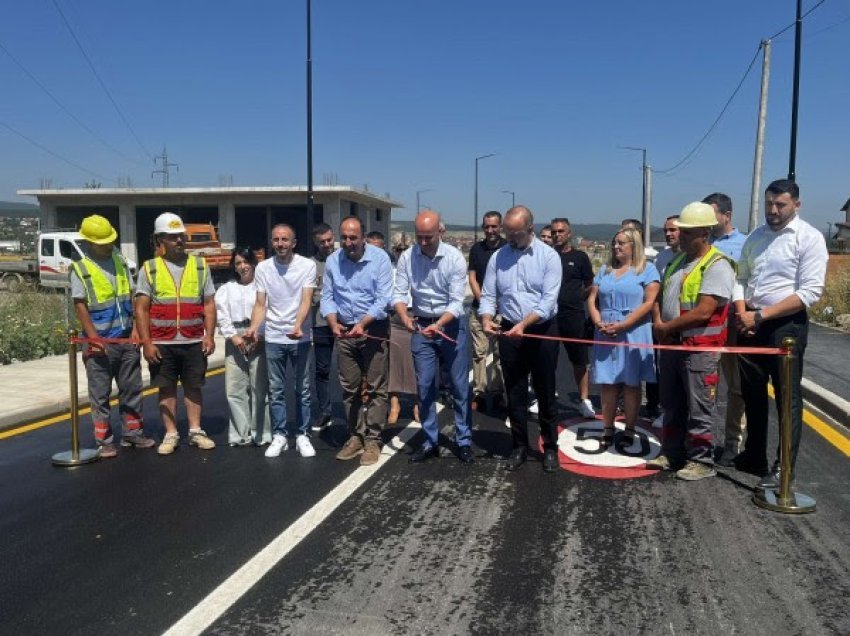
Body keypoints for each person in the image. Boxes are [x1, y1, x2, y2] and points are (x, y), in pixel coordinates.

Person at [733, 180, 828, 487]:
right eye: (769, 204)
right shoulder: (756, 236)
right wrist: (742, 312)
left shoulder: (809, 238)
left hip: (786, 325)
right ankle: (754, 455)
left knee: (787, 398)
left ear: (796, 205)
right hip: (751, 321)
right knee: (753, 393)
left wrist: (760, 316)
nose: (773, 210)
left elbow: (810, 292)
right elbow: (741, 276)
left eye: (780, 205)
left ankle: (783, 467)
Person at [648, 202, 735, 481]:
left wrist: (665, 326)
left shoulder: (717, 265)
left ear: (705, 233)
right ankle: (672, 453)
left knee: (700, 408)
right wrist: (660, 324)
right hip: (673, 345)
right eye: (681, 232)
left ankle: (702, 461)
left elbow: (704, 310)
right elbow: (659, 298)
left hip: (699, 349)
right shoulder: (676, 261)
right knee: (671, 405)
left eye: (687, 233)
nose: (681, 237)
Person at [480, 205, 562, 472]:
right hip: (510, 330)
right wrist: (486, 318)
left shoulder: (549, 257)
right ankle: (519, 446)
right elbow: (489, 294)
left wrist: (525, 324)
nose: (510, 239)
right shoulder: (498, 257)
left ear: (530, 229)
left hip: (541, 330)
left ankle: (550, 448)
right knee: (514, 392)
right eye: (508, 233)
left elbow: (548, 301)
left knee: (545, 390)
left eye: (515, 234)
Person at [71, 214, 154, 458]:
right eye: (103, 242)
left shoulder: (118, 261)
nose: (108, 245)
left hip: (126, 337)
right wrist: (94, 337)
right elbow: (80, 305)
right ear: (89, 242)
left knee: (132, 388)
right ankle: (104, 440)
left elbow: (131, 295)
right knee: (101, 393)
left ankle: (133, 433)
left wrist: (137, 329)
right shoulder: (81, 268)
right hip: (100, 342)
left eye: (110, 240)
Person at [394, 210, 472, 464]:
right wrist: (405, 316)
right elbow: (399, 292)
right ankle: (430, 440)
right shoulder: (408, 256)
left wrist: (438, 324)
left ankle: (464, 440)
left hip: (450, 326)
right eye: (419, 237)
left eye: (428, 237)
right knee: (425, 386)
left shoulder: (454, 259)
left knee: (460, 387)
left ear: (441, 232)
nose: (423, 242)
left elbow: (456, 303)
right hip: (421, 325)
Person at [135, 212, 217, 455]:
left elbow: (209, 304)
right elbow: (141, 308)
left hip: (193, 340)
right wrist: (146, 343)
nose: (179, 241)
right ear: (160, 240)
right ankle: (171, 434)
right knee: (166, 388)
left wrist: (209, 335)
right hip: (162, 342)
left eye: (181, 236)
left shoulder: (200, 265)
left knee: (193, 387)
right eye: (172, 237)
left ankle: (195, 431)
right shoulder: (149, 269)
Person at [321, 216, 393, 466]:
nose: (349, 242)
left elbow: (383, 298)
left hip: (372, 329)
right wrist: (333, 323)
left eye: (354, 237)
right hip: (344, 332)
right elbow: (327, 296)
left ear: (363, 237)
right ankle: (356, 435)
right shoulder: (333, 261)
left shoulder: (380, 259)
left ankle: (373, 439)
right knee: (350, 388)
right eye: (345, 238)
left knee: (375, 387)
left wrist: (363, 324)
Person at [245, 224, 317, 459]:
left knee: (302, 388)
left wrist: (297, 326)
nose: (280, 244)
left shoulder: (307, 266)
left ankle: (303, 434)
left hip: (300, 337)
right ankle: (280, 436)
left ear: (293, 243)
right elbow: (260, 304)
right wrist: (254, 328)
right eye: (276, 239)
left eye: (285, 239)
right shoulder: (264, 268)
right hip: (274, 337)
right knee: (276, 389)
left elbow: (306, 300)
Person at [587, 227, 660, 450]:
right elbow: (592, 298)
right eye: (614, 243)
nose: (616, 247)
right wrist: (598, 321)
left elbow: (649, 302)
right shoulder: (605, 270)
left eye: (621, 243)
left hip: (633, 330)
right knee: (608, 383)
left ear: (633, 246)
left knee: (631, 383)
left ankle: (629, 428)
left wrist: (624, 324)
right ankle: (607, 427)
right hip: (606, 330)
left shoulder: (647, 270)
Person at [702, 192, 748, 467]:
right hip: (704, 326)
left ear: (727, 216)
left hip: (731, 326)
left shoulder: (746, 245)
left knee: (735, 389)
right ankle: (701, 440)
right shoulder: (701, 244)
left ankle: (731, 444)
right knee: (703, 385)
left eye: (711, 214)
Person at [215, 247, 270, 446]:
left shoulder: (262, 288)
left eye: (246, 262)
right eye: (238, 263)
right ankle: (240, 434)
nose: (243, 266)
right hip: (235, 338)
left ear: (253, 264)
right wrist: (234, 337)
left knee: (260, 388)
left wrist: (258, 334)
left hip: (258, 337)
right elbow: (222, 315)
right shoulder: (226, 289)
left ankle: (261, 433)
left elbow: (266, 310)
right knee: (235, 388)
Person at [549, 217, 595, 418]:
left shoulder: (580, 257)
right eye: (554, 232)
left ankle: (584, 400)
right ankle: (547, 397)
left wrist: (578, 297)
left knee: (579, 360)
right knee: (548, 359)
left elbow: (590, 284)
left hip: (573, 315)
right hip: (548, 316)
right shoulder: (547, 256)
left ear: (569, 234)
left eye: (561, 231)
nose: (557, 235)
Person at [467, 211, 507, 412]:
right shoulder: (476, 249)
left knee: (500, 355)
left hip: (503, 311)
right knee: (479, 353)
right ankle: (479, 392)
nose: (490, 230)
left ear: (500, 227)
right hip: (478, 310)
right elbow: (472, 277)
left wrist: (498, 304)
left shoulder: (508, 249)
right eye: (487, 227)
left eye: (494, 226)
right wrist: (484, 304)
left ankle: (498, 392)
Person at [310, 223, 335, 433]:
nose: (327, 245)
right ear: (315, 243)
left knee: (352, 369)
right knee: (322, 370)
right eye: (322, 242)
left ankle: (358, 406)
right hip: (320, 324)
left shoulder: (344, 260)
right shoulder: (309, 266)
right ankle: (325, 410)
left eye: (329, 240)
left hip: (345, 322)